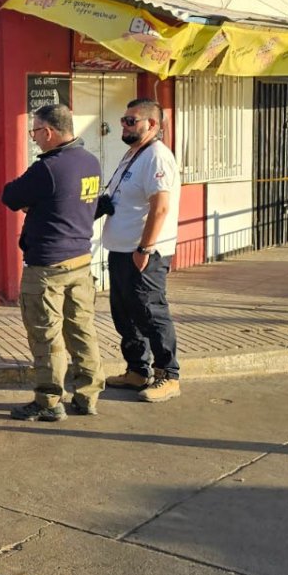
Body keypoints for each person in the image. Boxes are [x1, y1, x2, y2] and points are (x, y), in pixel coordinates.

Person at [2, 104, 105, 421]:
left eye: (34, 131)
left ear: (48, 131)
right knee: (82, 329)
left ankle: (48, 400)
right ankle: (88, 395)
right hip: (81, 261)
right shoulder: (91, 162)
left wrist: (35, 203)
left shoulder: (48, 168)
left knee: (46, 335)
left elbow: (11, 196)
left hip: (47, 266)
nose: (33, 138)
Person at [101, 98, 182, 403]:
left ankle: (168, 375)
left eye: (131, 120)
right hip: (121, 250)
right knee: (125, 313)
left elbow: (160, 207)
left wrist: (145, 248)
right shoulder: (134, 154)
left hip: (144, 252)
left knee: (150, 312)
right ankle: (137, 370)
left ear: (152, 124)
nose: (124, 125)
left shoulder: (157, 157)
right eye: (123, 119)